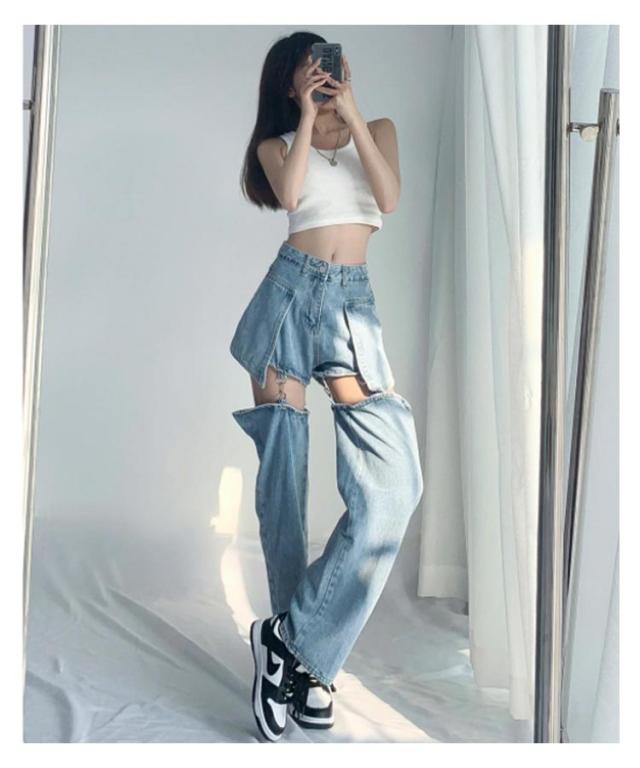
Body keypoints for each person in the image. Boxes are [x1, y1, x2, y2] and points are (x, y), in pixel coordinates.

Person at [230, 32, 424, 741]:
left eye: (329, 64)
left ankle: (295, 644)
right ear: (289, 83)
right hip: (288, 299)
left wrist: (352, 110)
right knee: (284, 492)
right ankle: (303, 670)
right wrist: (311, 118)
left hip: (350, 306)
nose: (323, 75)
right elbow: (289, 196)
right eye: (308, 71)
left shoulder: (379, 129)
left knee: (393, 487)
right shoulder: (278, 144)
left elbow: (389, 199)